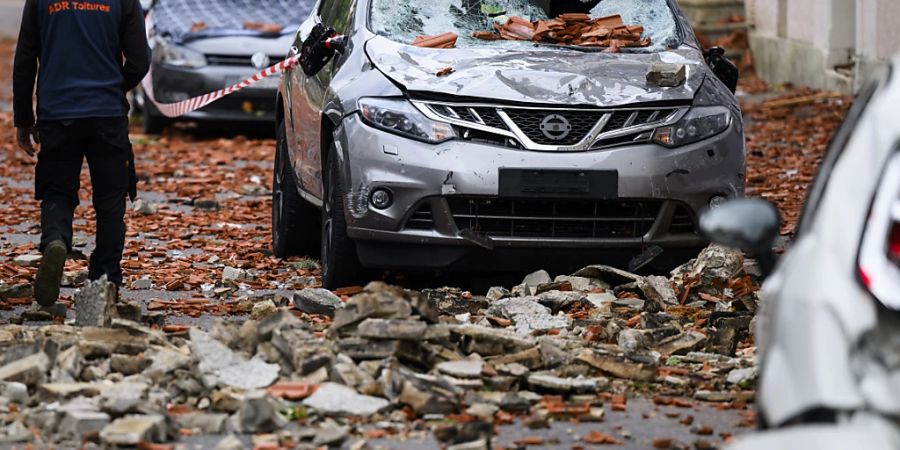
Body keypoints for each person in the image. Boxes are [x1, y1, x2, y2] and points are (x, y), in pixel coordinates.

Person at [13, 0, 151, 306]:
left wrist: (23, 120)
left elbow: (25, 58)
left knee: (57, 191)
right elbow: (140, 60)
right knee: (111, 201)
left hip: (56, 113)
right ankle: (106, 281)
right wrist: (116, 87)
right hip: (108, 116)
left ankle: (55, 241)